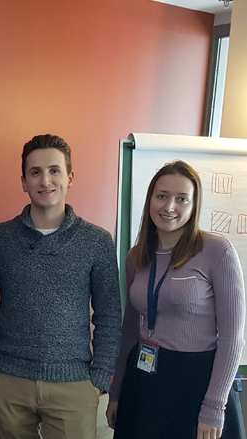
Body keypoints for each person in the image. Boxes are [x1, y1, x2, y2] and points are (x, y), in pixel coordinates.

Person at [0, 134, 122, 439]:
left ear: (70, 177)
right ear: (24, 182)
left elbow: (109, 315)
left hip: (74, 384)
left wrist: (100, 378)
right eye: (35, 172)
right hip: (7, 379)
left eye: (54, 171)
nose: (45, 180)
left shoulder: (97, 241)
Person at [106, 160, 245, 439]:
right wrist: (116, 392)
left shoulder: (217, 252)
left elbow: (233, 338)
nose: (169, 207)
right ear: (150, 200)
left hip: (196, 383)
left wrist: (214, 407)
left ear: (194, 205)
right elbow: (130, 329)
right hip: (144, 379)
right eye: (162, 196)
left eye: (182, 199)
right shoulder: (136, 256)